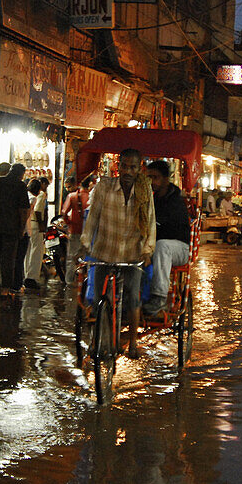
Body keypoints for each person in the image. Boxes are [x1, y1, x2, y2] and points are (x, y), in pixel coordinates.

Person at [81, 148, 156, 358]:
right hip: (104, 250)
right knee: (98, 300)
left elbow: (150, 221)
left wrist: (147, 250)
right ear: (118, 166)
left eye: (133, 167)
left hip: (132, 253)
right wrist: (85, 243)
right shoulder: (104, 186)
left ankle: (132, 344)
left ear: (139, 168)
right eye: (124, 166)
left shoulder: (144, 189)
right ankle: (97, 341)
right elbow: (93, 216)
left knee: (133, 298)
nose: (128, 171)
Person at [143, 160, 190, 316]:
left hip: (178, 249)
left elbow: (165, 229)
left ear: (165, 179)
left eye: (155, 177)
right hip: (154, 246)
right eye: (148, 178)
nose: (151, 182)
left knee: (162, 246)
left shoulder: (176, 202)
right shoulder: (151, 199)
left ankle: (159, 297)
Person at [0, 163, 30, 296]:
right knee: (8, 257)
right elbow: (23, 210)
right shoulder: (20, 186)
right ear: (21, 174)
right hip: (11, 226)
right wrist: (22, 228)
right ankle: (5, 289)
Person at [62, 175, 94, 285]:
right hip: (88, 232)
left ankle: (69, 281)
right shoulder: (92, 197)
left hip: (74, 230)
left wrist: (69, 223)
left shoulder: (72, 196)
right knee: (88, 258)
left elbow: (64, 212)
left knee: (71, 257)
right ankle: (87, 282)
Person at [22, 178, 46, 290]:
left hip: (28, 225)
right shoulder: (40, 196)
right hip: (35, 225)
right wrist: (41, 225)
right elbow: (37, 211)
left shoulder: (25, 195)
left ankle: (27, 275)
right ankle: (31, 277)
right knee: (36, 251)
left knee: (28, 251)